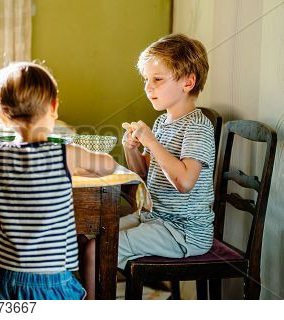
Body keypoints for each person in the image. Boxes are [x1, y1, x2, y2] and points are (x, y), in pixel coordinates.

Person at [0, 62, 117, 299]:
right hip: (54, 280)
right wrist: (77, 167)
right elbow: (109, 165)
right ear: (53, 107)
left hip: (9, 277)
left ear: (1, 115)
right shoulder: (65, 153)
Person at [81, 33, 215, 299]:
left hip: (184, 232)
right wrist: (132, 149)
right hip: (156, 218)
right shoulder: (163, 123)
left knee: (98, 249)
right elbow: (146, 174)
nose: (148, 87)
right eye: (146, 80)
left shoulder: (197, 127)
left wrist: (152, 143)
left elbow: (184, 182)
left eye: (157, 79)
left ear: (188, 82)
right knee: (89, 238)